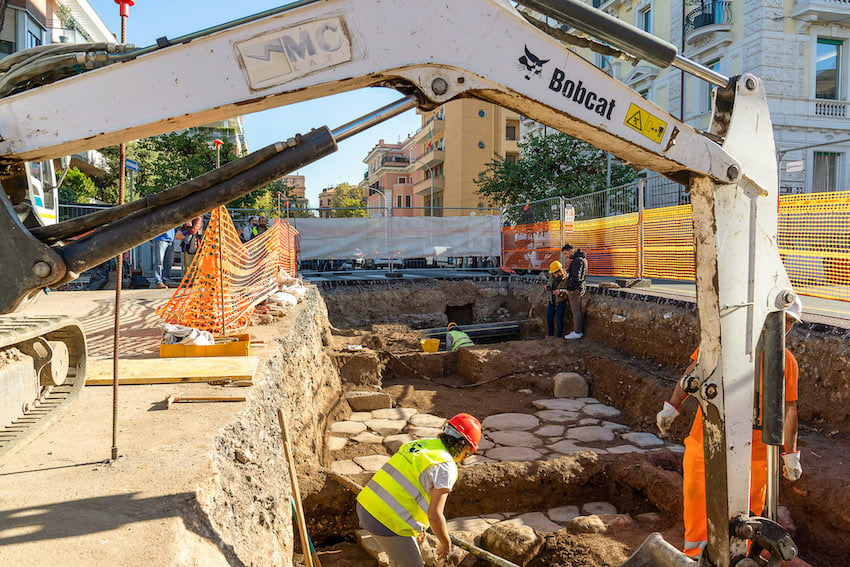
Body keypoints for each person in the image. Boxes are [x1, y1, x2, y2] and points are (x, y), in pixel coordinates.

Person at [655, 297, 803, 559]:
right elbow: (693, 373)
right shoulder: (719, 346)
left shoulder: (785, 360)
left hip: (756, 454)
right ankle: (696, 558)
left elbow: (788, 407)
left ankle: (740, 561)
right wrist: (672, 405)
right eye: (784, 320)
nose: (787, 327)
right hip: (708, 441)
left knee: (747, 518)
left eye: (791, 322)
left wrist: (790, 453)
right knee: (698, 505)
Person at [356, 413, 482, 566]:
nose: (464, 458)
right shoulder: (446, 466)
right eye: (468, 453)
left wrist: (416, 527)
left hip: (366, 505)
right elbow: (435, 515)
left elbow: (409, 484)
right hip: (385, 520)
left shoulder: (422, 444)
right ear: (463, 446)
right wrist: (445, 542)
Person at [562, 243, 587, 339]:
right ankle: (577, 330)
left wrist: (571, 288)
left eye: (566, 253)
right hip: (578, 288)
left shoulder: (577, 261)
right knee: (576, 310)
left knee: (575, 310)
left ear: (571, 250)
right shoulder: (580, 260)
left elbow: (576, 277)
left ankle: (577, 332)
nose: (566, 256)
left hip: (575, 289)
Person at [545, 260, 568, 338]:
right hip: (552, 301)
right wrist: (548, 287)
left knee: (559, 321)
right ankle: (550, 334)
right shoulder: (552, 277)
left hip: (560, 302)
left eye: (555, 273)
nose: (553, 274)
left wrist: (561, 291)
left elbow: (569, 291)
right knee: (549, 319)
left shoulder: (566, 279)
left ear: (559, 271)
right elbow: (550, 285)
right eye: (552, 273)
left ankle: (558, 337)